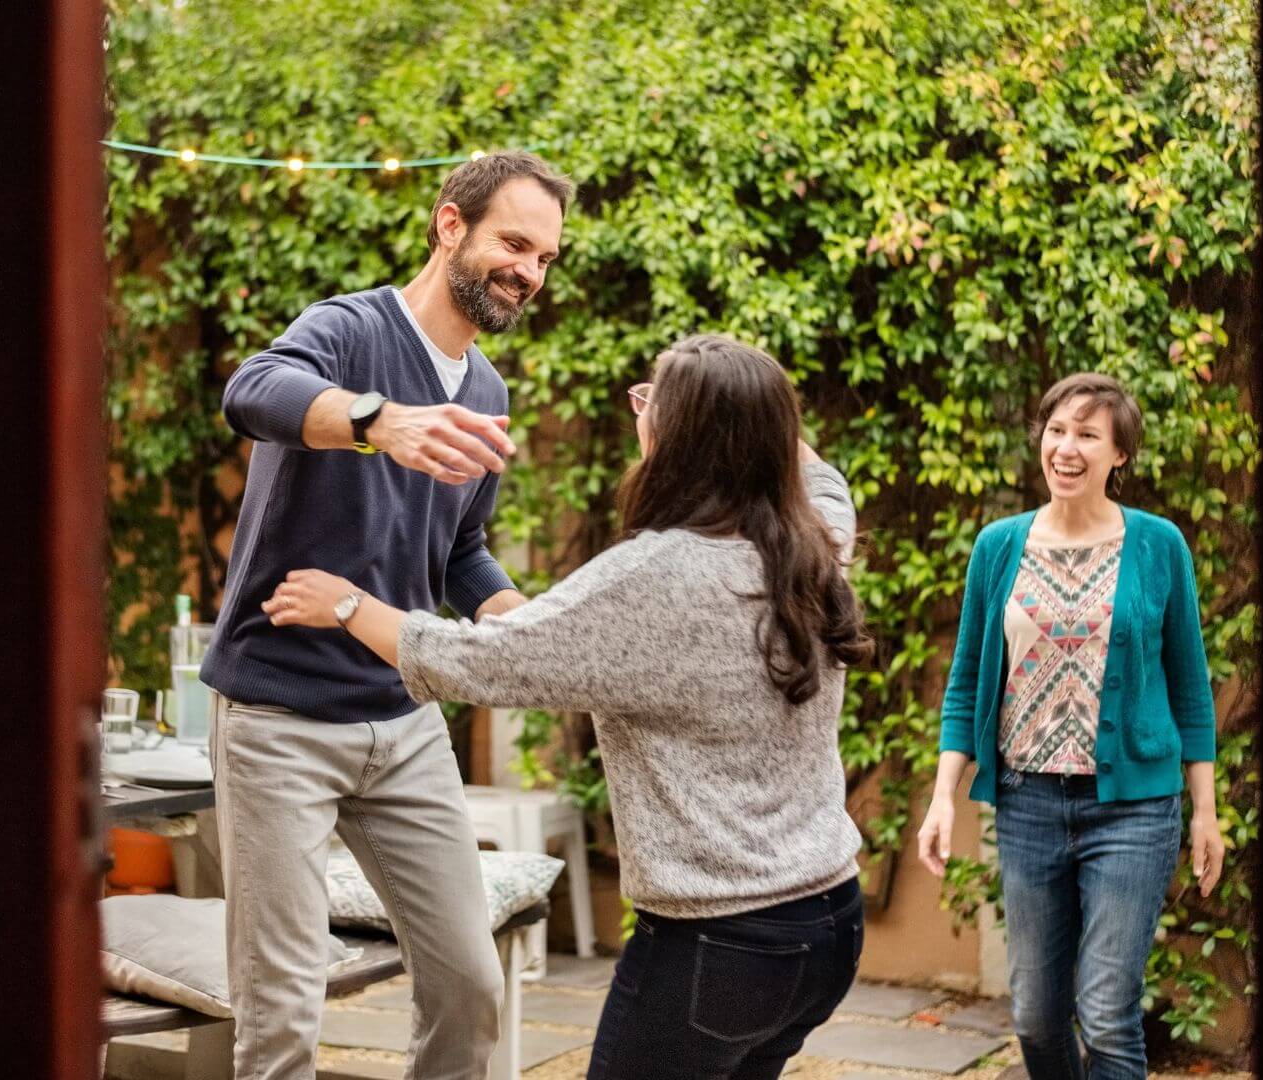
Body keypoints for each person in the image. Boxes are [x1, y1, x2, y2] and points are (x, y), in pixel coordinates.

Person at [267, 334, 875, 1080]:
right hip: (828, 924)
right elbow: (822, 477)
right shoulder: (815, 542)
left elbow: (481, 661)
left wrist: (348, 605)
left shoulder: (653, 577)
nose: (639, 413)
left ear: (683, 438)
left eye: (652, 402)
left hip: (718, 946)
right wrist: (753, 410)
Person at [198, 150, 574, 1080]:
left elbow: (459, 548)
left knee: (469, 984)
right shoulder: (350, 329)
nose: (528, 272)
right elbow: (252, 391)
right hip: (278, 720)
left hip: (403, 723)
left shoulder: (486, 392)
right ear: (451, 225)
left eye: (544, 259)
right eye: (513, 244)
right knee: (283, 1015)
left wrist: (516, 617)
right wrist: (380, 421)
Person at [914, 373, 1227, 1079]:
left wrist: (1204, 811)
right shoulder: (999, 546)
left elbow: (1190, 686)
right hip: (1027, 805)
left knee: (1109, 1013)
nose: (1066, 447)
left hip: (1134, 812)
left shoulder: (1158, 545)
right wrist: (942, 796)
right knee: (1034, 1015)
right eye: (1057, 430)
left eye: (1088, 434)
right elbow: (966, 681)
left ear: (1120, 454)